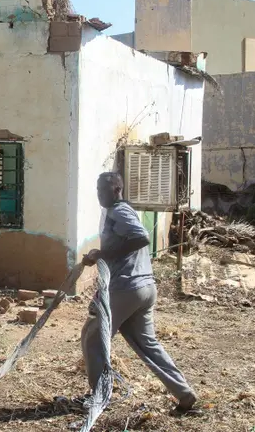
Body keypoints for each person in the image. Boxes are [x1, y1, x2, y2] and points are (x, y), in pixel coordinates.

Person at [80, 172, 198, 415]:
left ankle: (100, 395)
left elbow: (141, 237)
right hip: (144, 288)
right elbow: (124, 245)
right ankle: (184, 394)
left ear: (117, 190)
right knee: (147, 344)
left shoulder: (119, 211)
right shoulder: (120, 211)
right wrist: (98, 256)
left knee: (93, 337)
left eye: (103, 190)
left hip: (126, 288)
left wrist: (104, 254)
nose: (99, 194)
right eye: (97, 189)